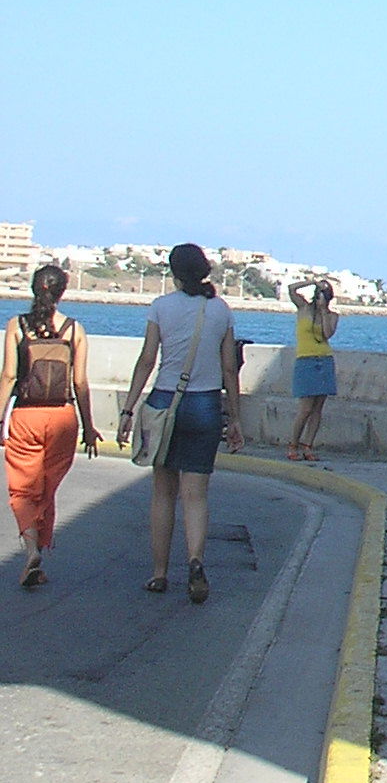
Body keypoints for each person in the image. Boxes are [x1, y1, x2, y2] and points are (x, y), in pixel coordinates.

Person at [116, 243, 243, 602]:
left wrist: (128, 410)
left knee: (163, 492)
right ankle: (195, 560)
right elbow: (229, 369)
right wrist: (234, 418)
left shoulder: (161, 308)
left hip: (164, 403)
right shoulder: (220, 311)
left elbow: (146, 361)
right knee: (196, 495)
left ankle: (159, 573)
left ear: (173, 272)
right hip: (204, 404)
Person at [4, 265, 100, 589]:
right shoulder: (75, 330)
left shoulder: (17, 326)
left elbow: (8, 376)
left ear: (34, 289)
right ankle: (37, 554)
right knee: (46, 488)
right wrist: (88, 426)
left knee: (23, 488)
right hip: (63, 417)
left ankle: (32, 549)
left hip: (26, 416)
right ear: (62, 292)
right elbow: (81, 382)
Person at [285, 278, 340, 461]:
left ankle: (308, 445)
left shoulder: (332, 316)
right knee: (305, 408)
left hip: (324, 360)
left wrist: (324, 311)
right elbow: (291, 289)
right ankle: (293, 444)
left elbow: (327, 334)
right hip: (305, 360)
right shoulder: (303, 309)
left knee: (318, 408)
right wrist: (312, 281)